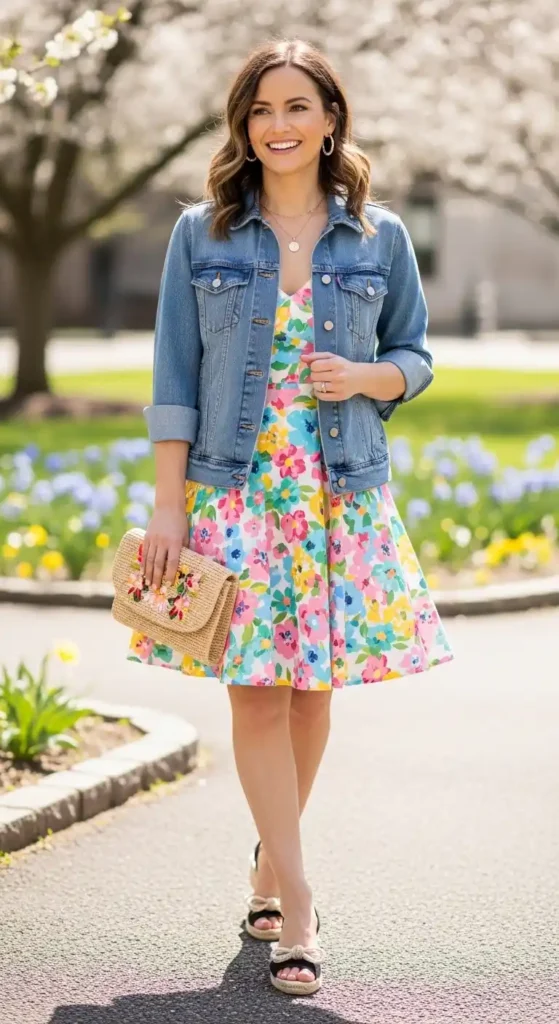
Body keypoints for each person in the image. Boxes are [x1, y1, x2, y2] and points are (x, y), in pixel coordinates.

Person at [127, 37, 454, 996]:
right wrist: (167, 506)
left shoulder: (377, 236)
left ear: (329, 120)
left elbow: (418, 356)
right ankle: (299, 904)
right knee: (254, 691)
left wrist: (368, 377)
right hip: (235, 491)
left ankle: (269, 863)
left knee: (312, 693)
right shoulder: (204, 232)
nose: (278, 124)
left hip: (336, 490)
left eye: (296, 106)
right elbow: (173, 375)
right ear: (243, 125)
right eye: (261, 109)